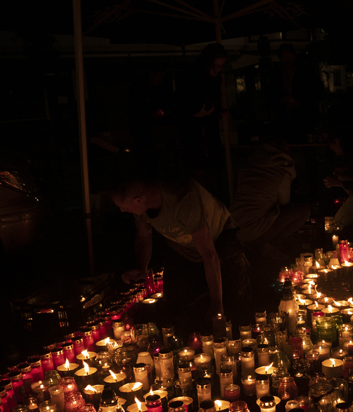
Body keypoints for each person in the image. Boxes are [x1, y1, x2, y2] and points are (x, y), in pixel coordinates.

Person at [111, 173, 249, 323]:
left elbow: (210, 254)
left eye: (124, 207)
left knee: (233, 307)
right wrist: (141, 267)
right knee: (177, 310)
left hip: (220, 243)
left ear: (138, 200)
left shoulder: (183, 199)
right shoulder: (141, 208)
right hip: (183, 249)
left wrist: (217, 305)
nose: (122, 211)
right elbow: (144, 235)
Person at [229, 140, 311, 260]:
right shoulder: (280, 173)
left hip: (233, 226)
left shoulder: (247, 167)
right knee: (304, 211)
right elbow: (284, 204)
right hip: (254, 229)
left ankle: (254, 244)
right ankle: (269, 245)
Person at [177, 43, 229, 201]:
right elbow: (180, 106)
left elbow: (213, 102)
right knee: (198, 177)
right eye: (217, 66)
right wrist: (195, 114)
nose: (219, 69)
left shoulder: (215, 79)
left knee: (212, 174)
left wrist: (218, 111)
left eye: (221, 66)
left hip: (209, 135)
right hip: (194, 136)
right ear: (208, 63)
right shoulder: (190, 78)